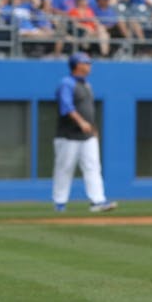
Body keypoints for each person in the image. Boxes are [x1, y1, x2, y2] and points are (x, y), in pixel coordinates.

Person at [52, 52, 118, 213]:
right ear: (77, 65)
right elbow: (66, 107)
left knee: (93, 167)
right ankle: (60, 203)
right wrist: (81, 122)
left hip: (87, 136)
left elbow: (88, 110)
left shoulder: (87, 84)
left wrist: (93, 128)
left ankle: (98, 201)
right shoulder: (67, 83)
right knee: (64, 168)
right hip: (68, 135)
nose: (89, 65)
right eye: (86, 63)